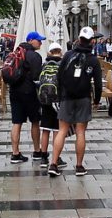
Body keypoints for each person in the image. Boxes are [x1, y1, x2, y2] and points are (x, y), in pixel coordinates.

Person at [49, 27, 102, 177]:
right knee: (80, 132)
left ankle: (53, 164)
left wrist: (60, 95)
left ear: (78, 39)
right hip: (84, 98)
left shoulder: (68, 55)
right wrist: (96, 101)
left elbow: (59, 76)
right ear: (92, 41)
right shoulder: (93, 60)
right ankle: (79, 166)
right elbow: (98, 84)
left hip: (67, 98)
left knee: (62, 131)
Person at [8, 32, 44, 164]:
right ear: (31, 40)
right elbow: (36, 76)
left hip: (14, 92)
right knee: (35, 121)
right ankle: (36, 151)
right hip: (30, 93)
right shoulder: (35, 56)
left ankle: (15, 153)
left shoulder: (16, 52)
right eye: (39, 40)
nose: (41, 43)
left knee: (16, 123)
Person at [38, 43, 65, 169]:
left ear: (49, 52)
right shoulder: (62, 65)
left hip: (45, 101)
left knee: (45, 129)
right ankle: (56, 157)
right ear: (60, 51)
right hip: (58, 100)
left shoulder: (44, 65)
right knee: (56, 131)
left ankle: (43, 157)